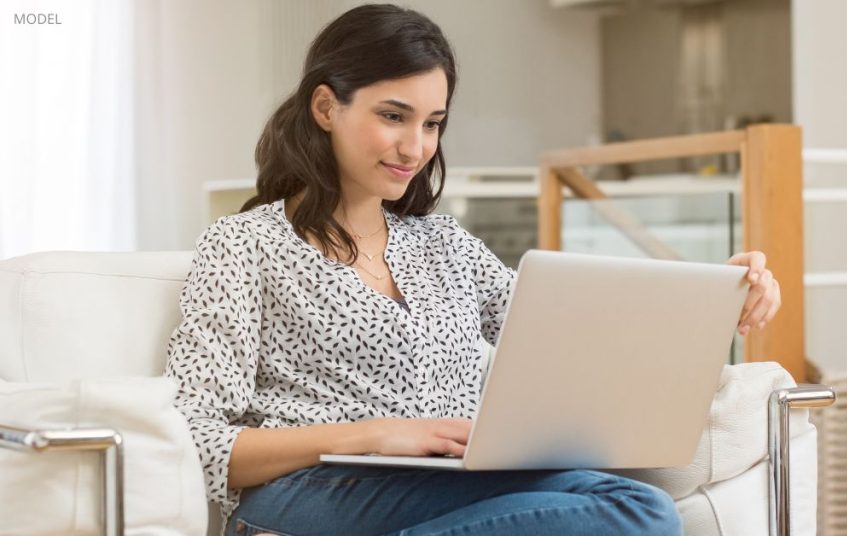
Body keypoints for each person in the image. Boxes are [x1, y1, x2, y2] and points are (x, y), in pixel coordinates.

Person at [165, 4, 782, 536]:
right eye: (393, 115)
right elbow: (200, 441)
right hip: (310, 490)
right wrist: (373, 434)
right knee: (637, 513)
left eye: (432, 124)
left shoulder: (445, 246)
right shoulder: (242, 244)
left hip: (452, 482)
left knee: (625, 502)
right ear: (326, 107)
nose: (416, 148)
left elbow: (584, 330)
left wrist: (721, 289)